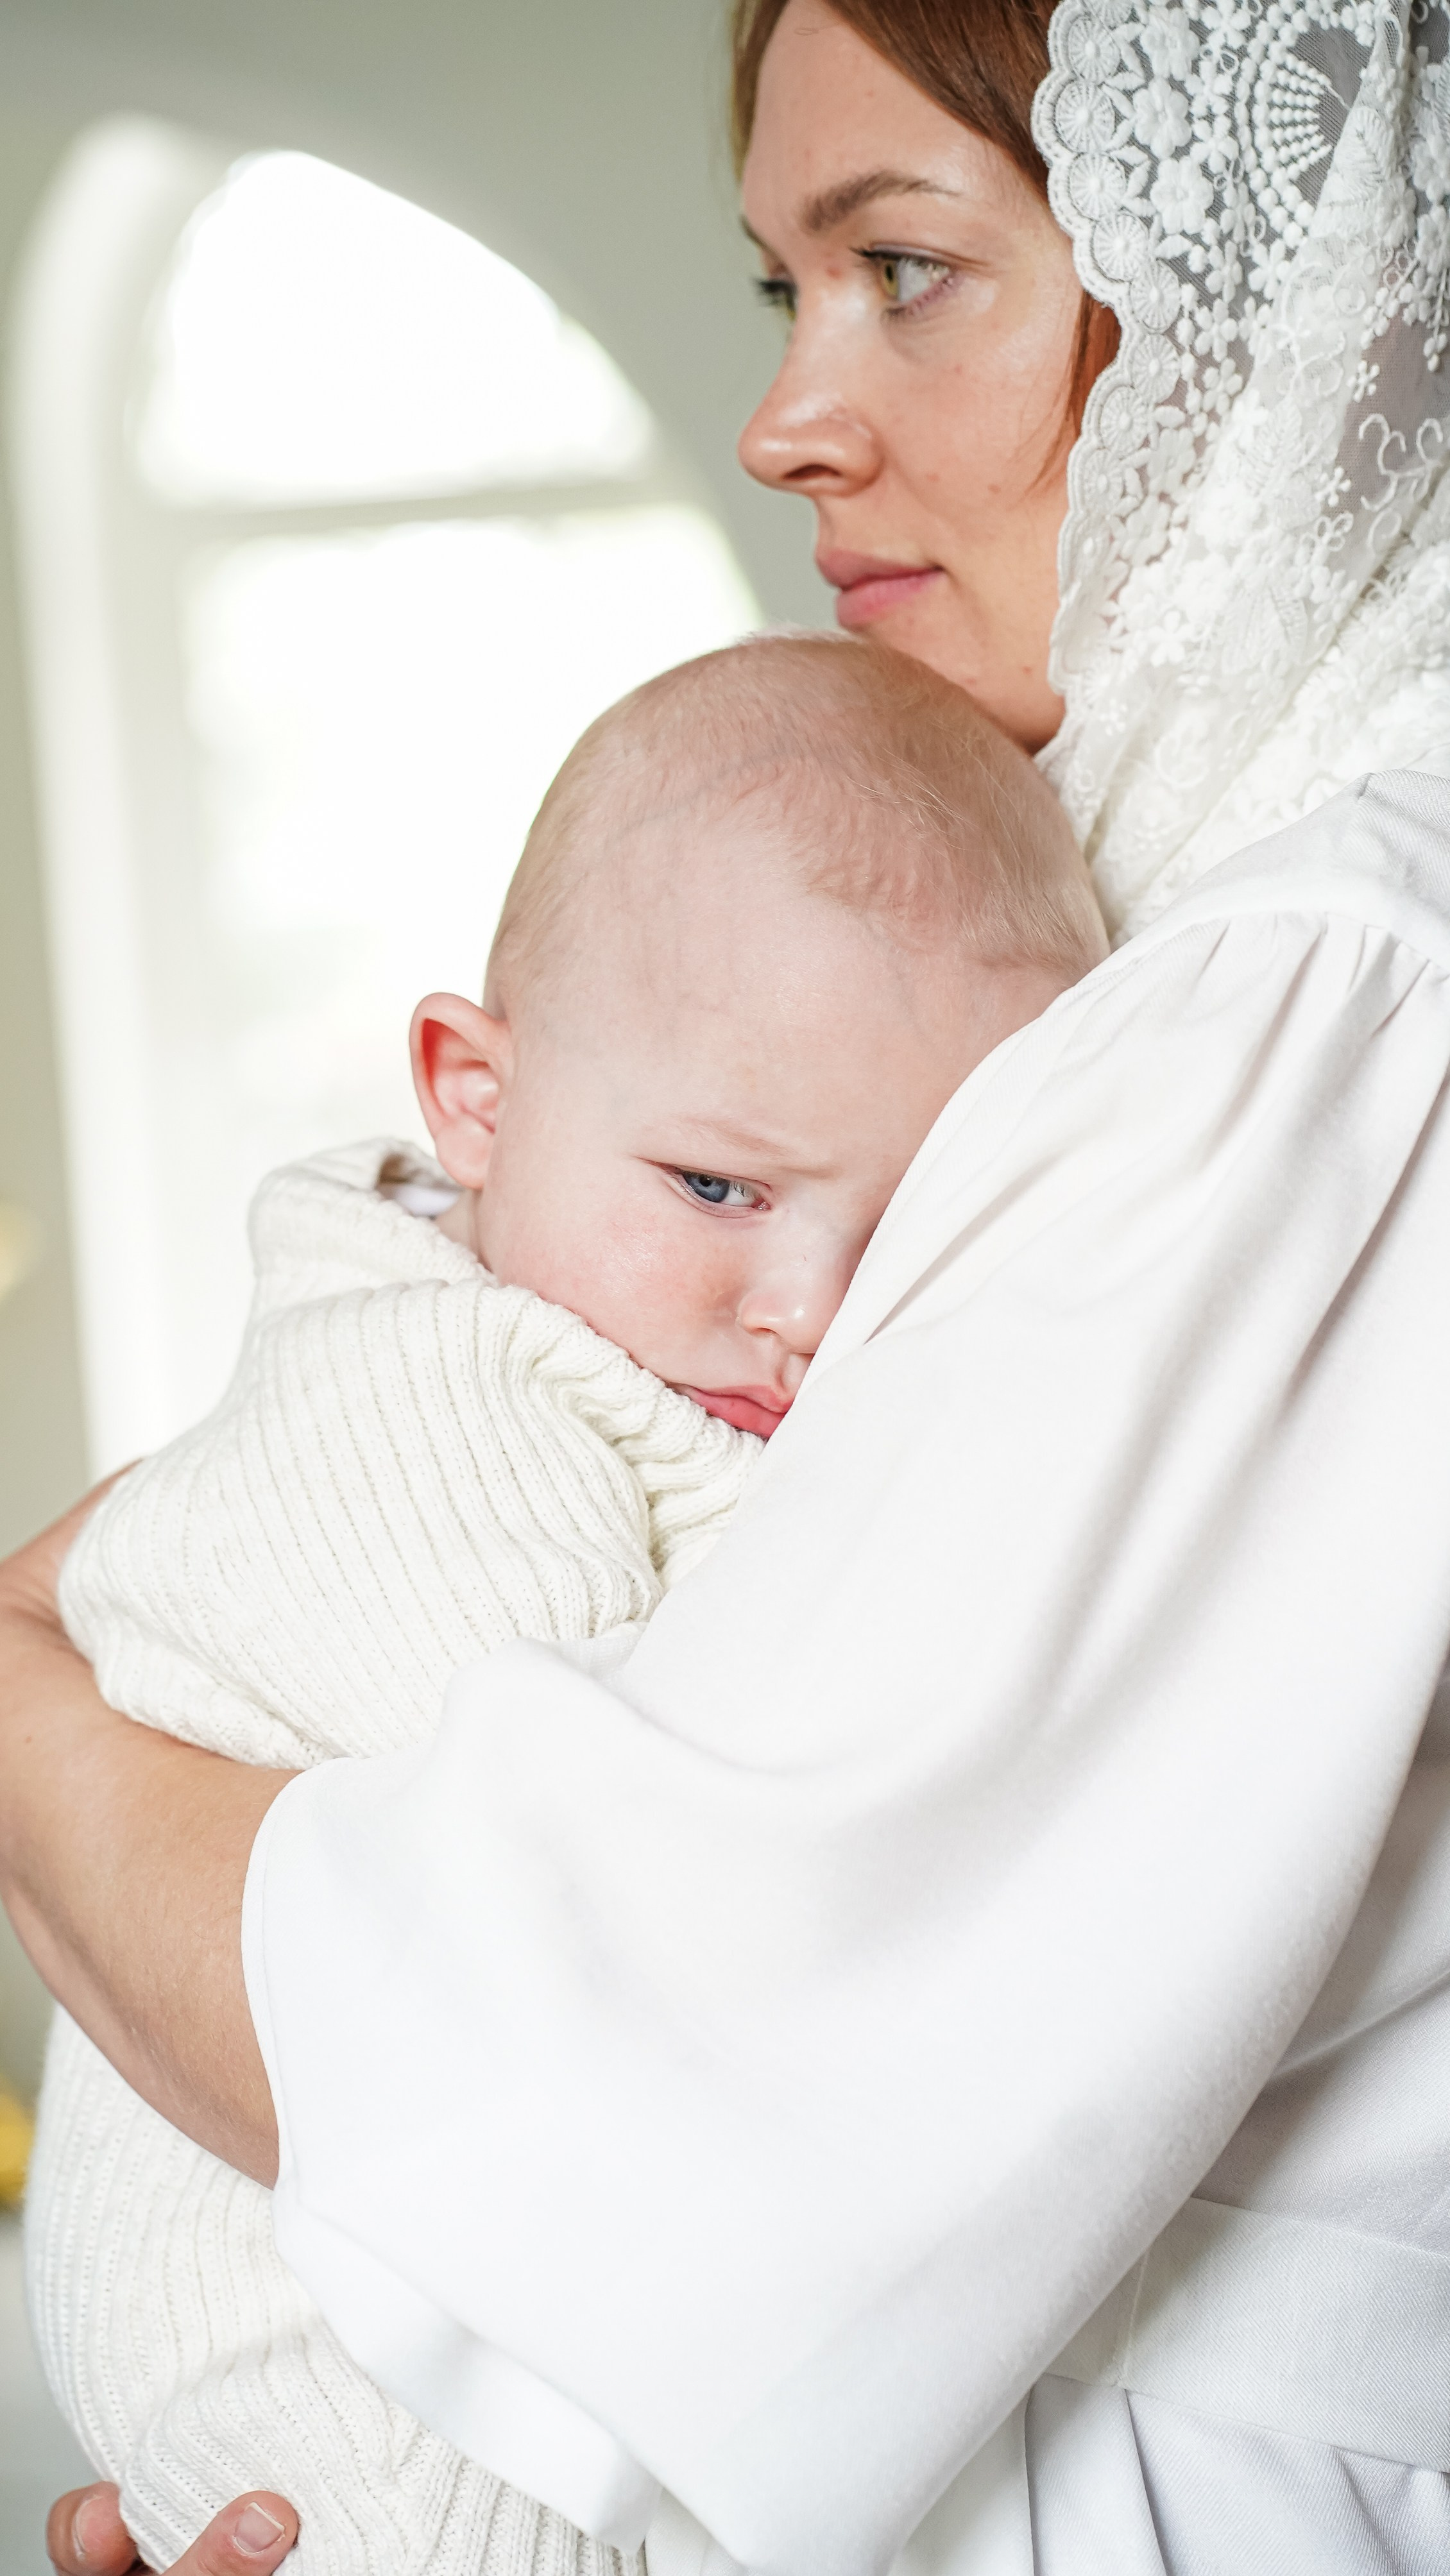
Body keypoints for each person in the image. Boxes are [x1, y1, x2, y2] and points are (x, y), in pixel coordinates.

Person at [11, 0, 1450, 2569]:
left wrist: (21, 1712)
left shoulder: (1323, 988)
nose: (788, 416)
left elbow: (643, 2060)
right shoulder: (1163, 909)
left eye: (907, 268)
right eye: (782, 282)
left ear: (1283, 291)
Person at [25, 636, 1102, 2576]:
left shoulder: (643, 1351)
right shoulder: (426, 1399)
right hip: (334, 2407)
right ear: (473, 1098)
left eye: (904, 1234)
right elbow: (555, 1947)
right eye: (712, 1188)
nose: (806, 1309)